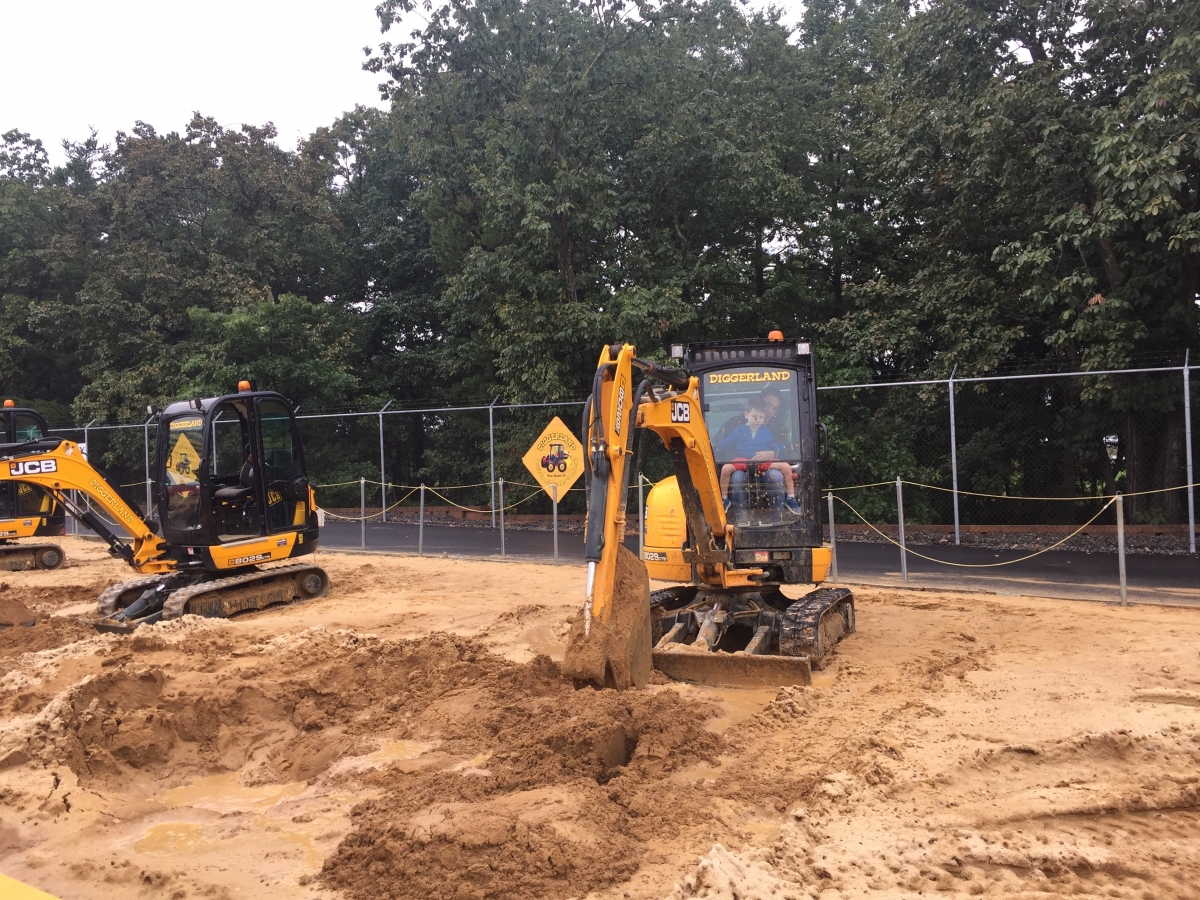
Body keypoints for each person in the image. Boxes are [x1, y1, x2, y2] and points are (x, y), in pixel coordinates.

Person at [714, 399, 801, 515]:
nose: (757, 420)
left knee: (786, 467)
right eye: (754, 416)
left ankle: (790, 498)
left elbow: (774, 446)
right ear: (746, 415)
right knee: (725, 468)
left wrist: (778, 450)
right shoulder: (739, 430)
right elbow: (726, 443)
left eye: (760, 417)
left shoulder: (765, 431)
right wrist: (714, 446)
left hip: (762, 462)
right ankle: (724, 499)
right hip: (743, 461)